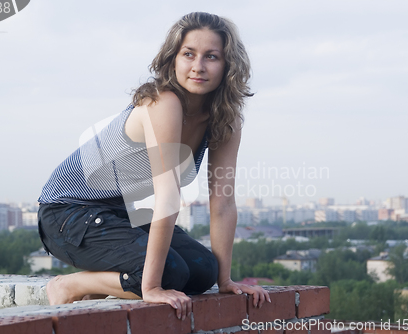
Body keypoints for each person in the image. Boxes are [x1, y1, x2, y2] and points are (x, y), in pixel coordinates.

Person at [37, 12, 271, 321]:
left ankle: (105, 283)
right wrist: (151, 287)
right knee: (169, 275)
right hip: (66, 214)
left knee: (203, 273)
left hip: (122, 216)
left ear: (227, 64)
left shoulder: (226, 118)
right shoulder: (163, 102)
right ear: (174, 59)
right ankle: (70, 286)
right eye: (189, 54)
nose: (198, 66)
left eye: (211, 57)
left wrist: (225, 281)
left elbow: (223, 202)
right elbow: (167, 195)